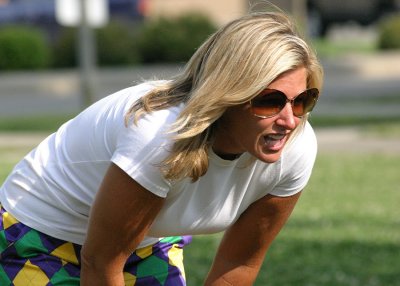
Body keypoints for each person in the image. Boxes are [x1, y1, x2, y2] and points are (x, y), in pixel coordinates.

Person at [0, 9, 323, 286]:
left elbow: (238, 266)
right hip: (39, 230)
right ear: (229, 94)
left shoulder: (296, 147)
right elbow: (101, 262)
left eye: (302, 101)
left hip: (143, 243)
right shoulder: (160, 133)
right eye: (270, 101)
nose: (289, 120)